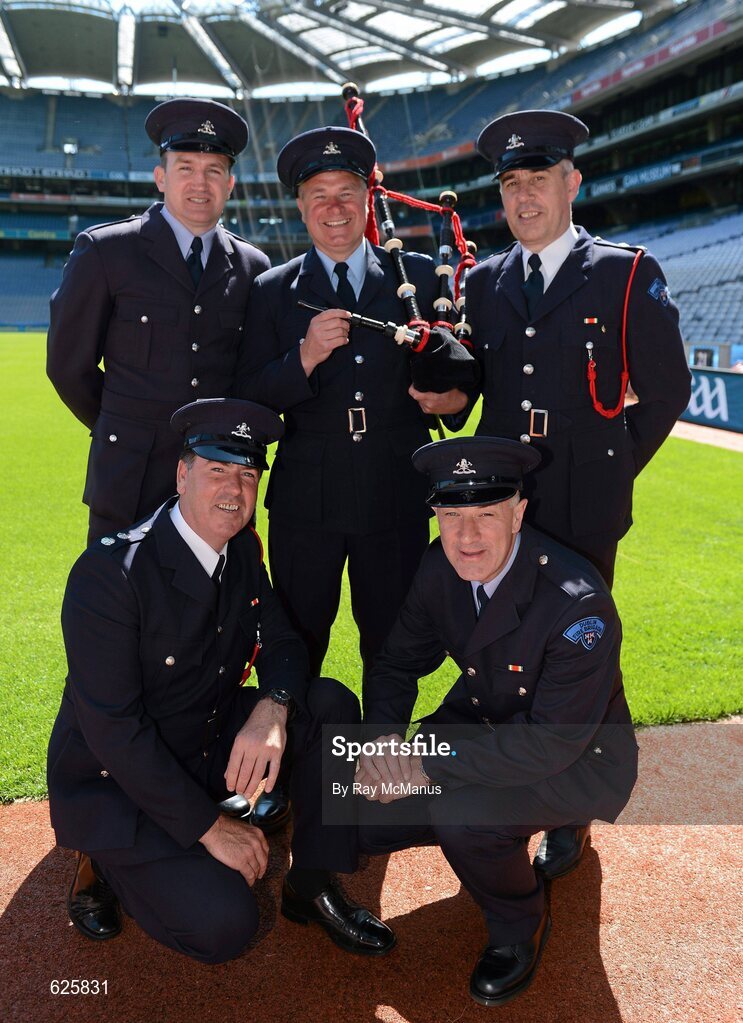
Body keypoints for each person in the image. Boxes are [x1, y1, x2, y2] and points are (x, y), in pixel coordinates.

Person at [428, 109, 690, 876]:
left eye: (538, 179)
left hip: (582, 509)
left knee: (579, 655)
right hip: (506, 510)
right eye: (511, 183)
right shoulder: (483, 282)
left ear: (571, 182)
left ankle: (570, 809)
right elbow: (472, 390)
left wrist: (608, 468)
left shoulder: (623, 271)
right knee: (512, 652)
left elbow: (666, 390)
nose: (524, 196)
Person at [47, 398, 395, 963]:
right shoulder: (109, 575)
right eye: (216, 470)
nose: (233, 489)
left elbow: (282, 641)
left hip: (204, 741)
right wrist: (211, 828)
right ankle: (104, 858)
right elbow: (115, 732)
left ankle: (311, 881)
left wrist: (274, 707)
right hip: (123, 781)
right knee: (225, 926)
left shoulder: (240, 554)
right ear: (181, 474)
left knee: (329, 704)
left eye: (247, 474)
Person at [355, 436, 638, 1006]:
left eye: (486, 514)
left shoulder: (576, 602)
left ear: (519, 512)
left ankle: (519, 922)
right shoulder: (439, 566)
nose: (467, 536)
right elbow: (397, 662)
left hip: (577, 756)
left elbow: (549, 746)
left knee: (463, 816)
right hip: (486, 722)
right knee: (359, 808)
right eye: (451, 514)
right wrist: (384, 740)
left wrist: (425, 763)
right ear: (435, 514)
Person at [236, 126, 461, 829]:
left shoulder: (416, 277)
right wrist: (301, 358)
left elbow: (458, 378)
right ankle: (293, 769)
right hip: (307, 496)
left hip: (394, 492)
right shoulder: (273, 290)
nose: (333, 208)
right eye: (317, 196)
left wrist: (453, 399)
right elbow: (249, 397)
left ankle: (375, 766)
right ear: (300, 208)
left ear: (367, 201)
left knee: (388, 640)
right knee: (298, 634)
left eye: (346, 194)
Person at [47, 98, 270, 545]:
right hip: (128, 473)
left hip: (216, 478)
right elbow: (68, 367)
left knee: (212, 606)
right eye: (185, 168)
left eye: (213, 170)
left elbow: (250, 374)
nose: (199, 184)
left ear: (230, 183)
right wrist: (121, 426)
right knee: (118, 604)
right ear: (161, 177)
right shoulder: (106, 250)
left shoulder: (253, 266)